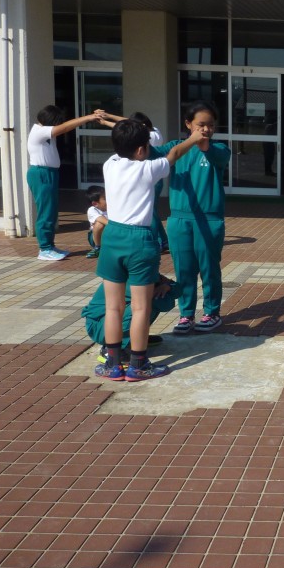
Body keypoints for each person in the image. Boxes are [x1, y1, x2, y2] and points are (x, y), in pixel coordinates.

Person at [95, 119, 206, 382]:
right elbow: (174, 154)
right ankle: (138, 365)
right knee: (140, 308)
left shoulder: (109, 164)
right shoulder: (147, 169)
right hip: (139, 240)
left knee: (113, 307)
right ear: (141, 149)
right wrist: (194, 138)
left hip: (112, 237)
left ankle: (112, 364)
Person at [160, 101, 231, 335]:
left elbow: (215, 155)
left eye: (211, 125)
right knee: (184, 269)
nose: (206, 129)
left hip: (210, 220)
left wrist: (199, 141)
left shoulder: (220, 149)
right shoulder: (175, 147)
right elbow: (151, 152)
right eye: (201, 125)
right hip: (179, 219)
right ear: (188, 124)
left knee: (209, 268)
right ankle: (186, 314)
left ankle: (212, 312)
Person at [27, 105, 105, 261]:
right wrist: (89, 117)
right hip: (42, 174)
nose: (58, 124)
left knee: (51, 211)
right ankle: (45, 248)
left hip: (49, 173)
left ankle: (50, 246)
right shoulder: (39, 131)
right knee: (46, 212)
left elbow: (62, 127)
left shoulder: (44, 132)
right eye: (57, 121)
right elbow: (64, 128)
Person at [83, 275, 176, 367]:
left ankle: (136, 338)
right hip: (98, 326)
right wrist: (164, 287)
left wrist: (167, 286)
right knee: (144, 306)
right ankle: (110, 349)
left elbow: (178, 289)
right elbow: (166, 304)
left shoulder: (145, 273)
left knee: (147, 303)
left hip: (103, 321)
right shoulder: (134, 278)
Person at [128, 111, 169, 253]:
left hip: (152, 178)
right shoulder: (154, 130)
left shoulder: (152, 135)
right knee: (153, 212)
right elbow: (125, 124)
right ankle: (163, 240)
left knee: (151, 212)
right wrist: (106, 118)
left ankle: (158, 241)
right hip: (151, 177)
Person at [86, 185, 108, 259]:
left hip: (109, 234)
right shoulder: (92, 210)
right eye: (105, 198)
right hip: (95, 238)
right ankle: (97, 248)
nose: (109, 200)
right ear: (95, 204)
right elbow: (106, 222)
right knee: (99, 224)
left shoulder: (112, 208)